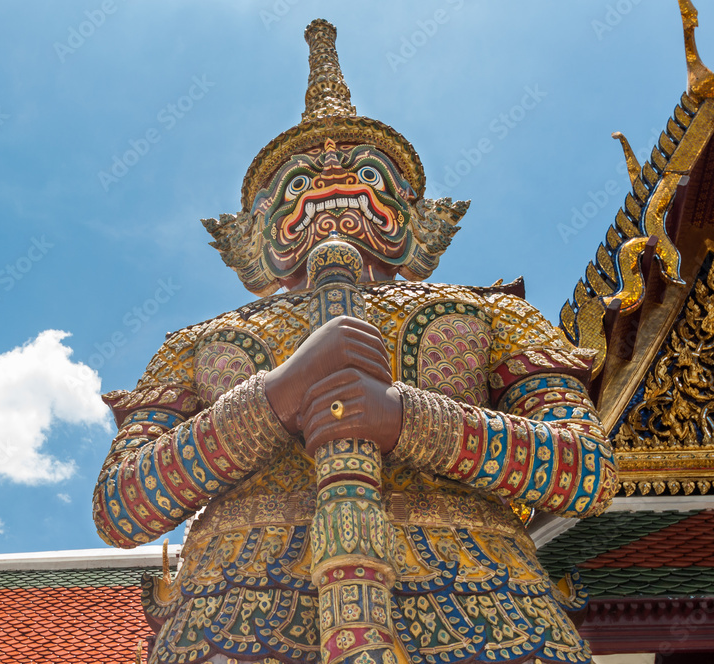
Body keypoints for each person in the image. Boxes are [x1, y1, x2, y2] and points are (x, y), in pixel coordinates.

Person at [93, 19, 616, 664]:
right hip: (234, 615)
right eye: (295, 183)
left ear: (417, 218)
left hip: (480, 604)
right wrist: (276, 395)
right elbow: (123, 507)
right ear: (252, 235)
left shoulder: (488, 314)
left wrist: (406, 418)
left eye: (368, 172)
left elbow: (586, 471)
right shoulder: (199, 343)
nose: (333, 180)